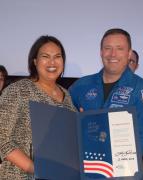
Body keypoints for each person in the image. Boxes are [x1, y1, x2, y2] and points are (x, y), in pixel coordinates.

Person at [69, 28, 143, 158]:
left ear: (128, 53)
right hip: (84, 169)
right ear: (101, 52)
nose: (113, 54)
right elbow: (64, 122)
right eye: (107, 48)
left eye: (119, 48)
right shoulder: (80, 86)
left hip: (123, 173)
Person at [0, 35, 76, 179]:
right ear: (35, 61)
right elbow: (2, 139)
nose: (52, 62)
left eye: (57, 56)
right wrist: (35, 169)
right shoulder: (18, 90)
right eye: (45, 56)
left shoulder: (66, 95)